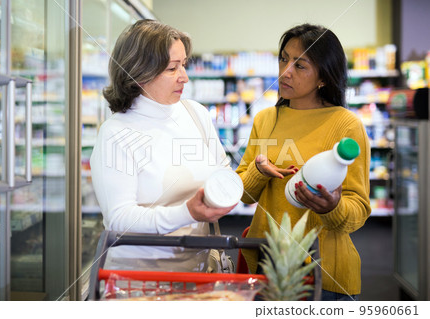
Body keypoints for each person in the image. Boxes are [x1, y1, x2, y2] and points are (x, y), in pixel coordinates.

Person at [236, 24, 371, 301]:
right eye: (284, 58)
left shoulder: (346, 125)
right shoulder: (266, 119)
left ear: (323, 77)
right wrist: (259, 171)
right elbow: (243, 194)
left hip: (324, 273)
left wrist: (333, 207)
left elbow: (358, 208)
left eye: (300, 66)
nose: (285, 71)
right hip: (268, 265)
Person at [90, 19, 235, 272]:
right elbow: (119, 219)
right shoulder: (116, 132)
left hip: (199, 271)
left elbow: (222, 171)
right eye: (172, 69)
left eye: (184, 64)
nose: (185, 77)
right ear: (139, 74)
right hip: (139, 280)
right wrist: (188, 212)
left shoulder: (195, 113)